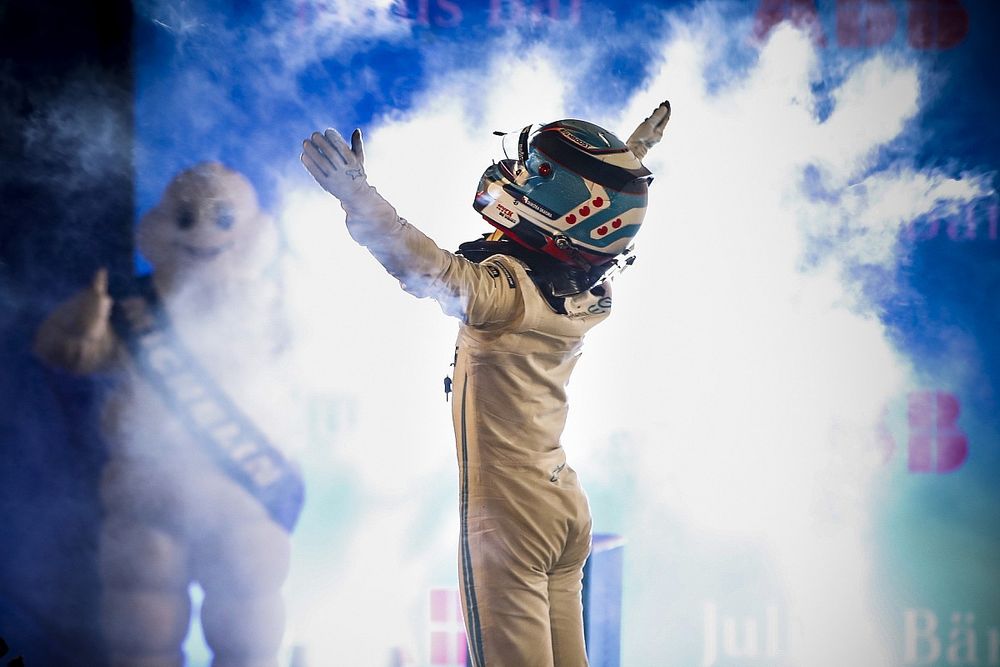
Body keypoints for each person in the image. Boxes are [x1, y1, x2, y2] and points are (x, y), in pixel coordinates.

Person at [300, 101, 670, 666]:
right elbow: (597, 215)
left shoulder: (504, 299)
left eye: (538, 176)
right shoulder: (591, 289)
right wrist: (632, 156)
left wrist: (357, 196)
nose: (518, 179)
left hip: (511, 515)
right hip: (562, 502)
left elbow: (421, 265)